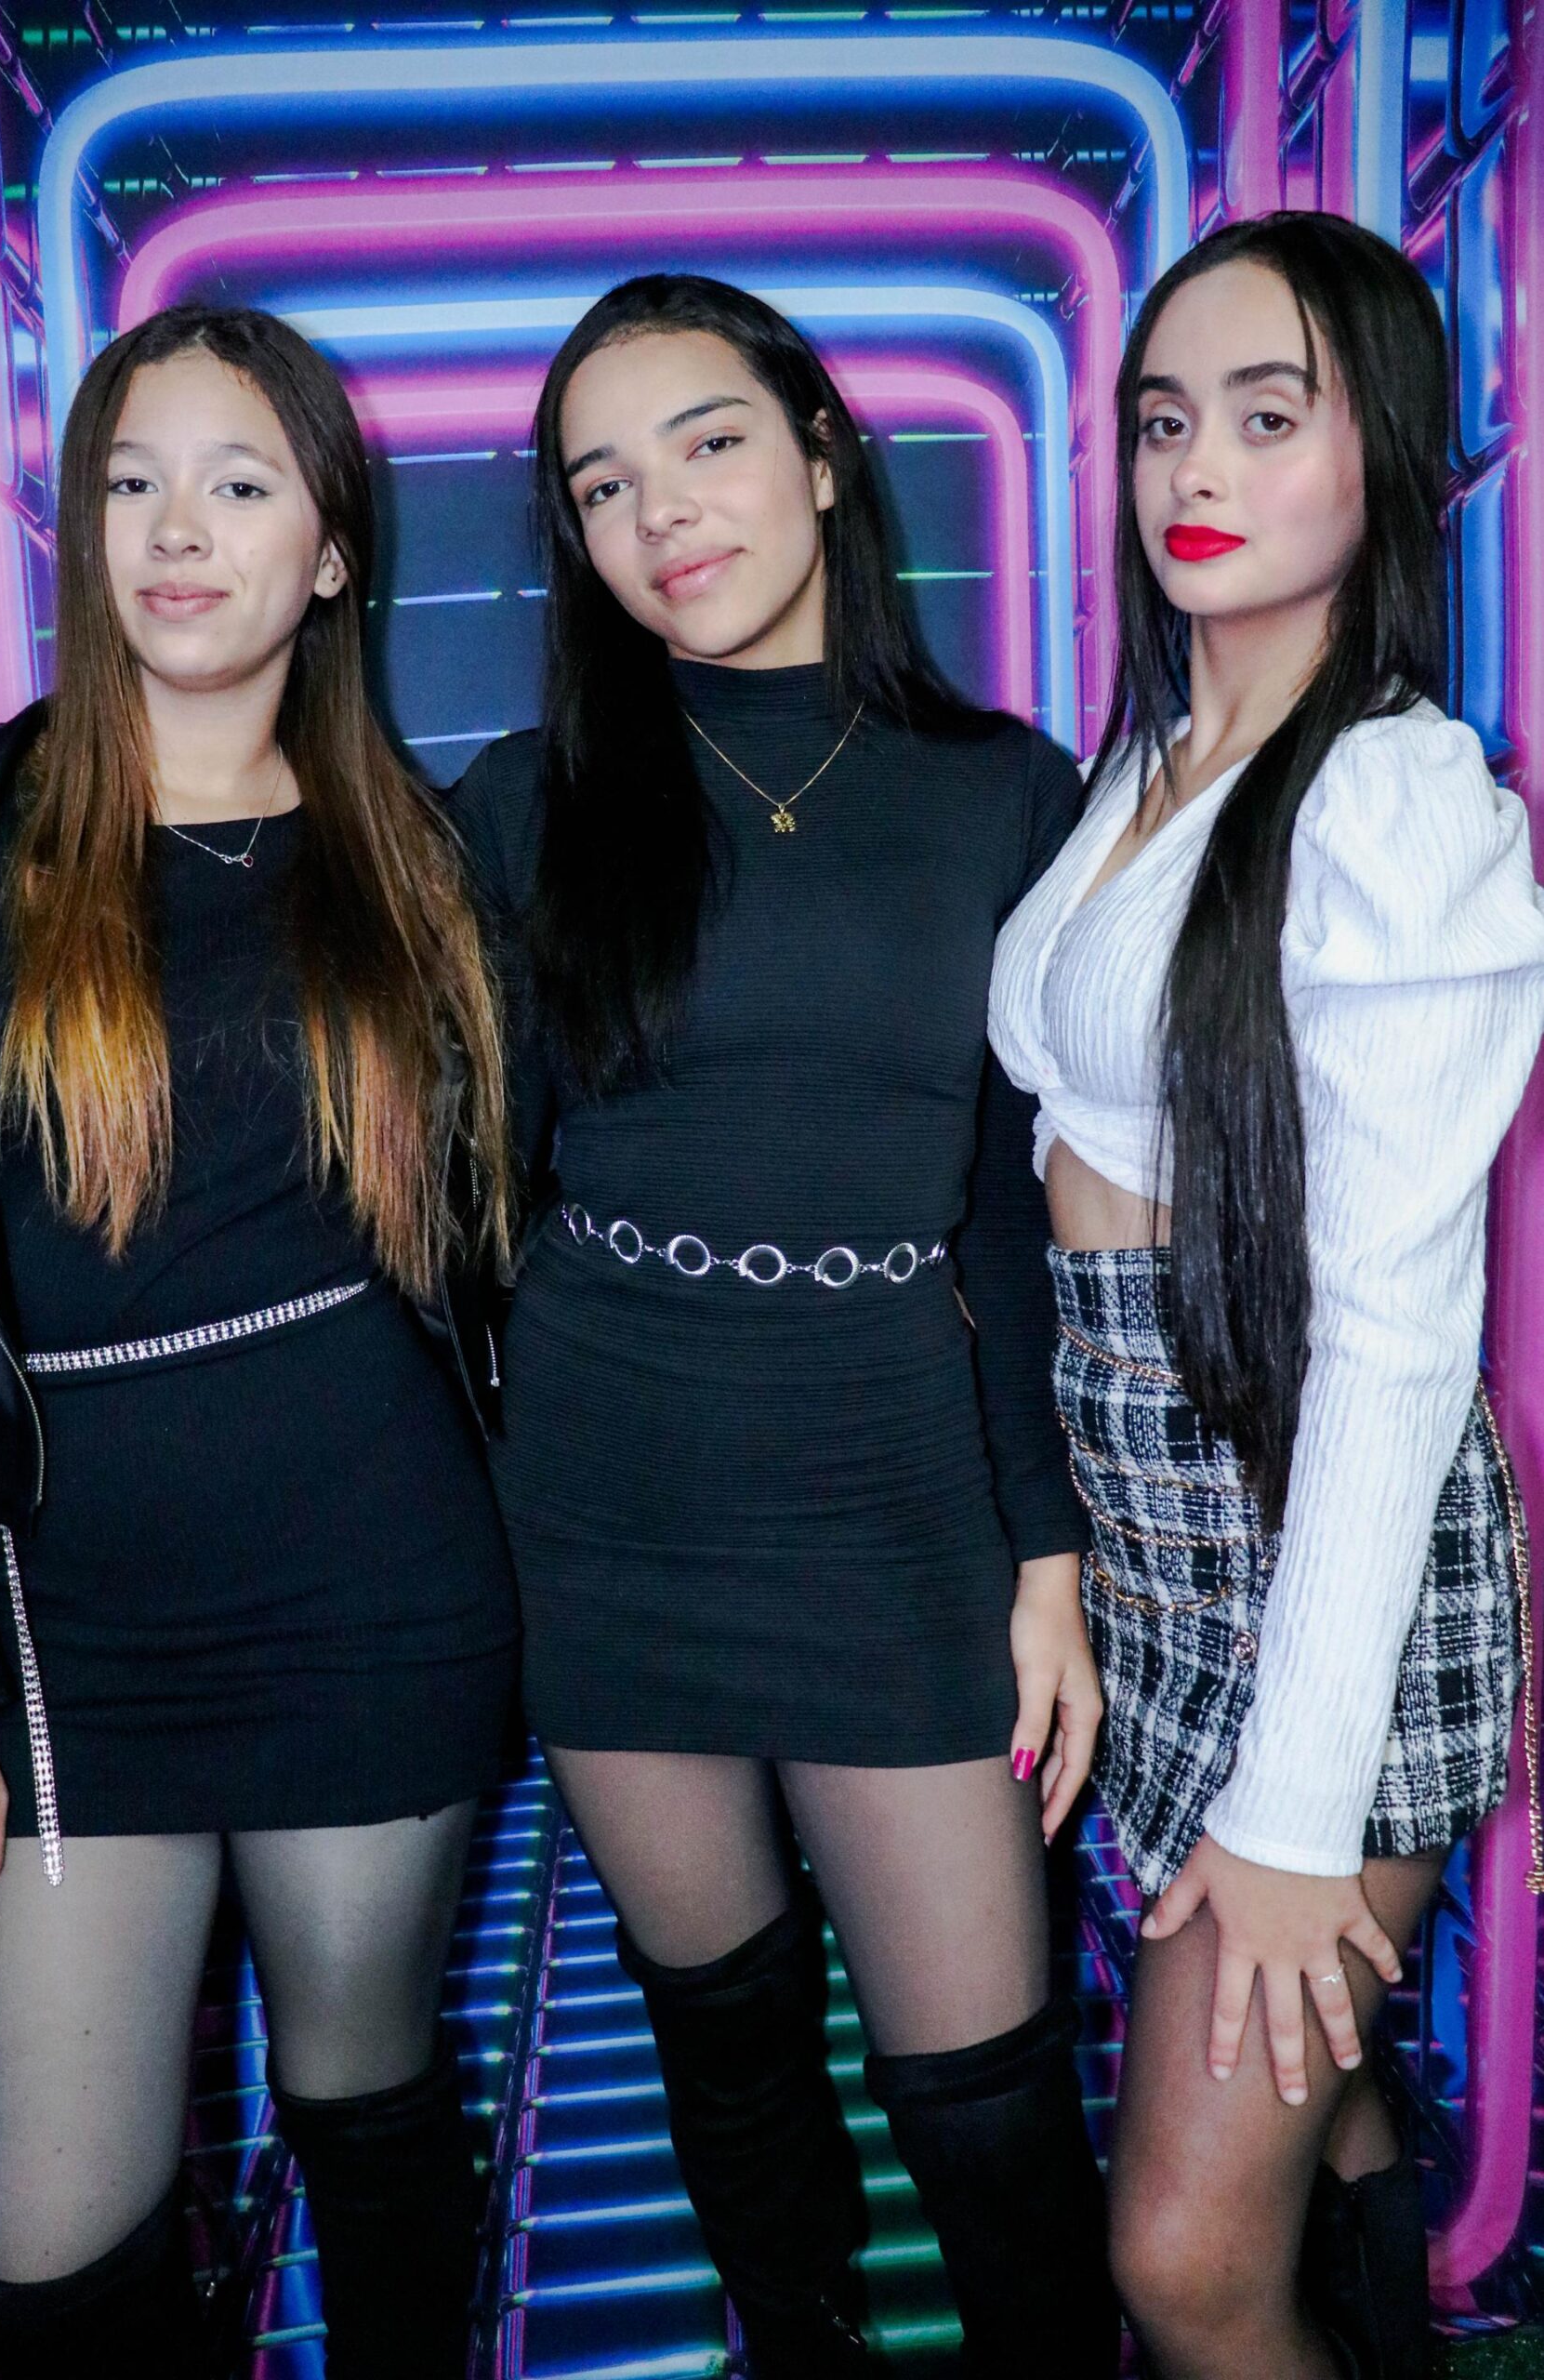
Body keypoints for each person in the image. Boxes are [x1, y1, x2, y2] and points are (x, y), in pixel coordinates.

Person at [455, 272, 1116, 2378]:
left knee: (985, 2099)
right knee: (726, 2047)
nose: (660, 511)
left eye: (709, 442)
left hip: (890, 1494)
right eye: (601, 485)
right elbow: (463, 1198)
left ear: (825, 455)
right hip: (606, 1500)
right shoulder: (525, 802)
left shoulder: (1005, 793)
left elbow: (1013, 1213)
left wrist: (1045, 1551)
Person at [989, 210, 1544, 2379]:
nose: (1191, 466)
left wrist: (1295, 1813)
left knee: (1181, 2259)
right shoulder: (1144, 761)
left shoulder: (1390, 799)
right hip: (1150, 1542)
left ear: (1375, 452)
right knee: (1298, 2137)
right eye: (1158, 420)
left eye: (1261, 412)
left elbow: (1394, 1340)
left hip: (1323, 1567)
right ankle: (1384, 2287)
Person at [0, 306, 520, 2379]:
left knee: (367, 2121)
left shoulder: (429, 862)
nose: (175, 530)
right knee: (42, 2263)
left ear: (333, 547)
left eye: (237, 481)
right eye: (131, 479)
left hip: (378, 1594)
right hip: (58, 1633)